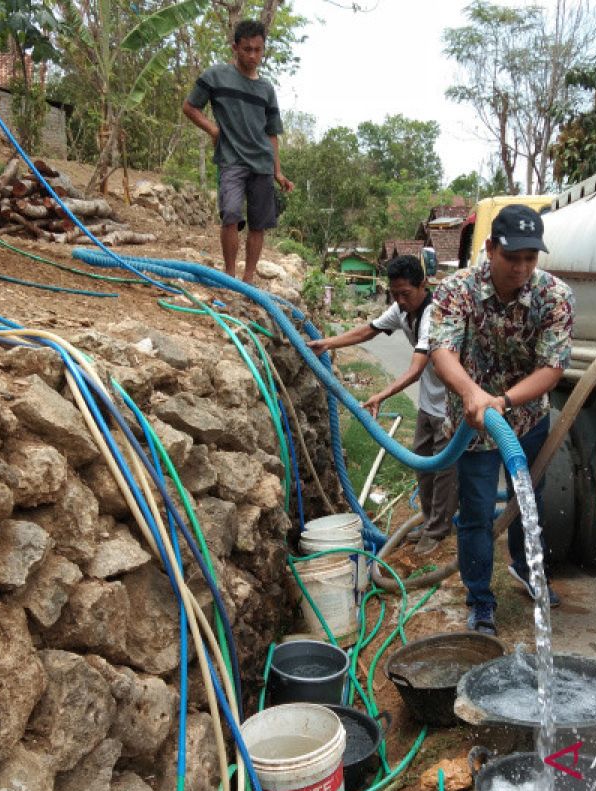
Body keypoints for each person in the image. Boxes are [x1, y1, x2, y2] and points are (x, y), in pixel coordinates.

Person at [428, 204, 574, 636]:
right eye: (513, 259)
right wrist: (475, 396)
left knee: (527, 500)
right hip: (472, 423)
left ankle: (527, 571)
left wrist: (504, 402)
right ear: (490, 249)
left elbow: (553, 367)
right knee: (475, 512)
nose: (522, 269)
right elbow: (442, 352)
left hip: (526, 419)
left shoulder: (555, 296)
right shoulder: (456, 290)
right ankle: (480, 601)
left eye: (531, 259)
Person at [307, 255, 457, 552]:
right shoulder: (402, 309)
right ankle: (430, 521)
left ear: (423, 285)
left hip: (451, 404)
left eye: (406, 294)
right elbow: (368, 330)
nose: (400, 300)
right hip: (430, 401)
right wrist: (327, 343)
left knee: (444, 468)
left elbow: (415, 369)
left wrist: (381, 395)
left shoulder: (434, 314)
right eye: (395, 294)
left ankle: (439, 530)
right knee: (422, 462)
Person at [182, 19, 293, 284]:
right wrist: (213, 130)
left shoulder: (266, 89)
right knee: (230, 214)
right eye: (247, 49)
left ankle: (248, 278)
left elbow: (271, 133)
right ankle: (230, 275)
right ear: (235, 47)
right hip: (231, 159)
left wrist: (278, 171)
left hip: (262, 164)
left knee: (258, 224)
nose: (253, 55)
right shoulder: (216, 76)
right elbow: (190, 107)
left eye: (258, 49)